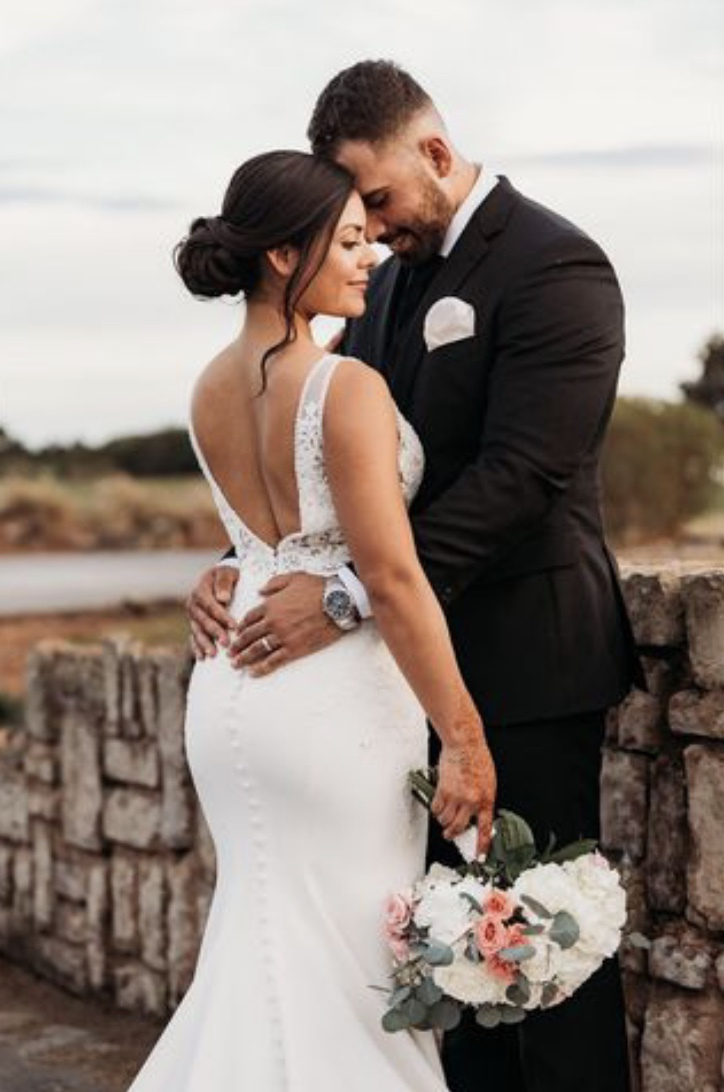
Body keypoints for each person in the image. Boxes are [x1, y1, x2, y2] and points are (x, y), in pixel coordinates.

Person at [188, 62, 642, 1092]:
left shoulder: (556, 264)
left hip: (524, 665)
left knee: (549, 962)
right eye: (351, 218)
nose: (372, 228)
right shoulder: (381, 283)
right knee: (437, 970)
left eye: (378, 201)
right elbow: (324, 466)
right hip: (388, 688)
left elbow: (524, 475)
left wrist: (348, 592)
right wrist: (244, 563)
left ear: (435, 153)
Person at [126, 149, 496, 1092]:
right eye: (349, 242)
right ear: (285, 256)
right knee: (355, 971)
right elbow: (393, 579)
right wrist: (463, 738)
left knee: (264, 947)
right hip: (332, 705)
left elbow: (257, 543)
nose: (370, 258)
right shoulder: (346, 387)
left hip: (232, 688)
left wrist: (223, 574)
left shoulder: (209, 386)